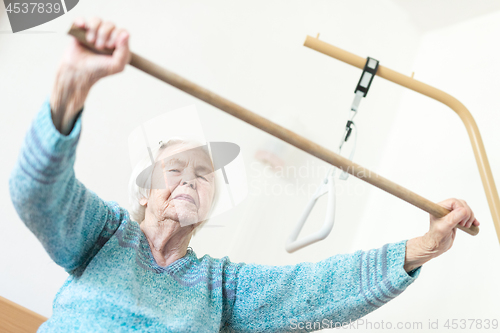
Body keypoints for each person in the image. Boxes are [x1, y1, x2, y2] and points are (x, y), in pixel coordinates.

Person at [8, 17, 480, 333]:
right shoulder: (104, 236)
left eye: (204, 175)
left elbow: (316, 289)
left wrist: (425, 247)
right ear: (146, 191)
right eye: (175, 170)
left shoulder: (221, 288)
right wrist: (67, 94)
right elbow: (39, 194)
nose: (191, 180)